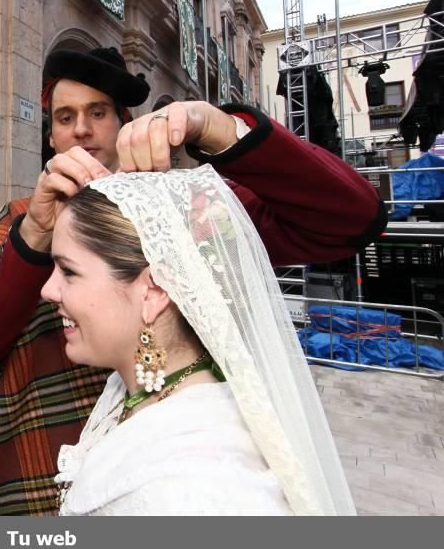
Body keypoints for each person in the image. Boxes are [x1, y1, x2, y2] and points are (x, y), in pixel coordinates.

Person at [0, 47, 388, 515]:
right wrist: (36, 236)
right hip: (52, 479)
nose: (81, 128)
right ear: (51, 136)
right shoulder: (22, 219)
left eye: (97, 112)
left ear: (125, 122)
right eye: (65, 117)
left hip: (179, 462)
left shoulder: (182, 214)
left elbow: (353, 219)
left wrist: (218, 129)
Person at [43, 171, 355, 515]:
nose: (47, 290)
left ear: (155, 290)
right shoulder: (135, 383)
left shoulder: (193, 493)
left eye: (68, 272)